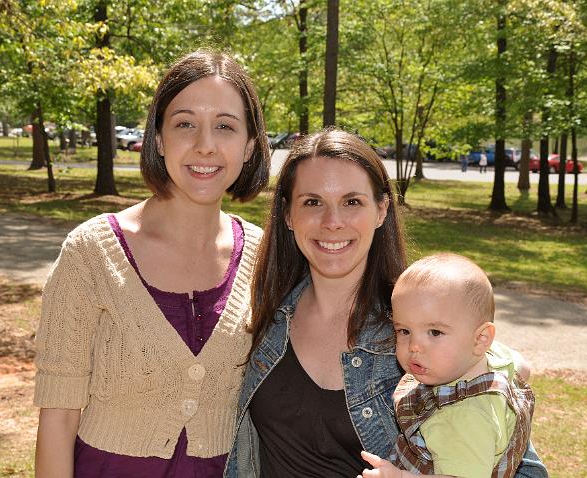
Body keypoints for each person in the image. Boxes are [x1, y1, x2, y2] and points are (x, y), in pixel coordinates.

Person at [223, 128, 547, 478]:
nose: (333, 222)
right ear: (288, 215)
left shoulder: (420, 330)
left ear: (381, 210)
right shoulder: (263, 315)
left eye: (352, 202)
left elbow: (524, 469)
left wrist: (507, 371)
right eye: (313, 202)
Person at [33, 50, 270, 477]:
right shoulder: (91, 252)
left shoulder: (265, 257)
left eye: (225, 126)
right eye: (184, 124)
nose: (205, 145)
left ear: (250, 145)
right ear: (158, 138)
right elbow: (58, 416)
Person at [359, 253, 535, 478]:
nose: (414, 346)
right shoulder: (495, 357)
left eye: (435, 332)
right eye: (404, 331)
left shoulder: (463, 417)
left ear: (481, 338)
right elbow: (523, 367)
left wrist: (402, 476)